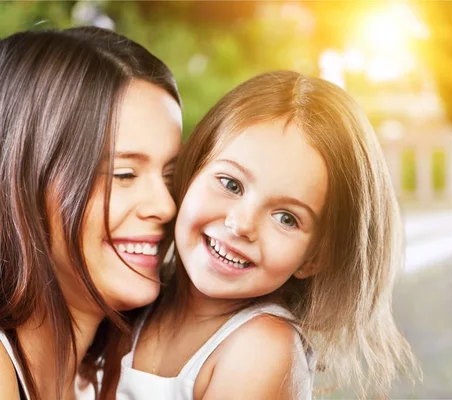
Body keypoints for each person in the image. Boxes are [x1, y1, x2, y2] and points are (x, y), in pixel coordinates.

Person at [117, 70, 418, 399]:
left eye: (286, 218)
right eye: (231, 184)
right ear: (192, 170)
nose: (242, 224)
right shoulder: (139, 293)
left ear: (315, 257)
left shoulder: (261, 347)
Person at [0, 26, 182, 400]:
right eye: (125, 174)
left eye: (170, 176)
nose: (166, 206)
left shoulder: (104, 384)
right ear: (24, 181)